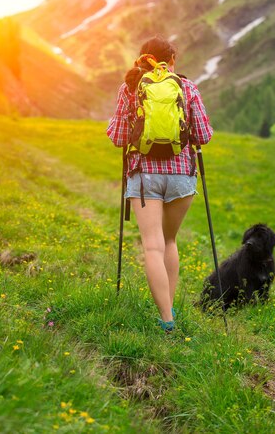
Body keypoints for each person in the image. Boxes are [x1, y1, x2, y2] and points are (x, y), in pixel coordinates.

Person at [107, 36, 213, 331]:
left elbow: (117, 137)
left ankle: (166, 320)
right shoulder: (187, 86)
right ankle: (171, 309)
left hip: (144, 178)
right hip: (181, 177)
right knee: (169, 241)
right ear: (172, 60)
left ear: (141, 59)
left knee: (152, 247)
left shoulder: (130, 88)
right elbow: (204, 135)